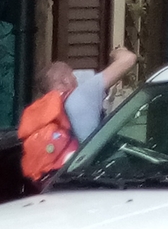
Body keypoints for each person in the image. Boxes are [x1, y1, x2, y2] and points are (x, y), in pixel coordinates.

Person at [19, 48, 139, 182]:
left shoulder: (43, 112)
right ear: (65, 81)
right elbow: (128, 59)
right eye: (73, 75)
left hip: (65, 179)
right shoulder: (83, 93)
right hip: (105, 174)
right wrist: (117, 52)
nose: (76, 79)